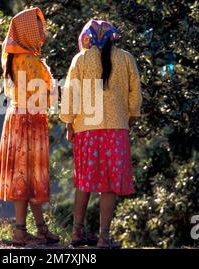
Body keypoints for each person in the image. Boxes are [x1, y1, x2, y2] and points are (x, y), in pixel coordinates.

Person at [60, 19, 142, 248]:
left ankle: (77, 233)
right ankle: (104, 237)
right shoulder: (126, 58)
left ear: (87, 37)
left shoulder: (81, 59)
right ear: (112, 37)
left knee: (84, 181)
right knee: (109, 184)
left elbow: (70, 93)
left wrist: (69, 123)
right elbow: (135, 91)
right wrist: (131, 116)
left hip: (87, 130)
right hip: (116, 130)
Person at [0, 7, 60, 246]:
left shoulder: (11, 58)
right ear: (29, 32)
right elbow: (48, 96)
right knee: (31, 177)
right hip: (31, 122)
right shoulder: (32, 61)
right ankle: (26, 230)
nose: (42, 31)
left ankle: (31, 229)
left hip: (15, 119)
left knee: (23, 177)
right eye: (38, 27)